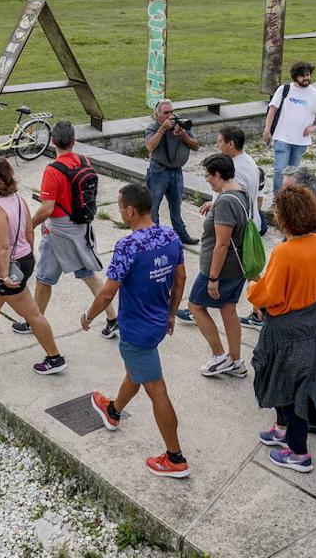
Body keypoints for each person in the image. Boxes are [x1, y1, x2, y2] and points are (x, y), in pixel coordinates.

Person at [85, 182, 190, 479]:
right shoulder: (170, 236)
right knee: (136, 370)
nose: (119, 212)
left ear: (130, 211)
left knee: (157, 390)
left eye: (120, 208)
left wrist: (89, 316)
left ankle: (175, 458)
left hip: (136, 330)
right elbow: (180, 279)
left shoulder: (127, 246)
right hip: (158, 323)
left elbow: (107, 294)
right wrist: (171, 313)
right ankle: (113, 411)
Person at [250, 184, 316, 473]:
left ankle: (299, 452)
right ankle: (283, 427)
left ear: (284, 217)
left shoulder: (284, 252)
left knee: (286, 382)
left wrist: (253, 290)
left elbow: (270, 294)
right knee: (297, 379)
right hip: (309, 319)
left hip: (284, 324)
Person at [0, 158, 67, 375]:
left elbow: (3, 246)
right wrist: (30, 258)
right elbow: (28, 232)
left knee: (33, 315)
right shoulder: (18, 200)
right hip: (22, 261)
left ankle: (55, 358)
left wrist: (4, 275)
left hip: (7, 269)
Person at [22, 121, 117, 338]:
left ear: (53, 141)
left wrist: (31, 225)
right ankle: (112, 318)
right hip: (81, 227)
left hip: (58, 233)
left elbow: (47, 208)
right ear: (74, 141)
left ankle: (34, 321)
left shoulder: (53, 170)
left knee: (44, 278)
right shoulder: (83, 161)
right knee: (87, 273)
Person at [241, 165, 316, 330]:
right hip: (309, 314)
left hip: (288, 316)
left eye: (287, 190)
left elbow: (274, 292)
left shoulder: (303, 238)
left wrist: (253, 286)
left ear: (302, 195)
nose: (280, 195)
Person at [183, 154, 249, 377]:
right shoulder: (239, 192)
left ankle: (220, 356)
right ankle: (237, 361)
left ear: (219, 175)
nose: (207, 179)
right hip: (237, 267)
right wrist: (216, 202)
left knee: (195, 306)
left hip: (221, 269)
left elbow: (221, 244)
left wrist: (212, 278)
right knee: (228, 309)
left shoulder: (226, 202)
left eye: (208, 175)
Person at [262, 60, 316, 195]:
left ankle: (289, 200)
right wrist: (267, 130)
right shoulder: (284, 90)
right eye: (303, 76)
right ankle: (277, 200)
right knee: (280, 170)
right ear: (295, 76)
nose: (306, 78)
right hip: (282, 137)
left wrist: (315, 126)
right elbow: (272, 109)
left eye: (308, 75)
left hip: (301, 141)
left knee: (292, 173)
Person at [144, 100, 201, 245]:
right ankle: (154, 239)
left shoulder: (180, 123)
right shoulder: (153, 127)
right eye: (166, 113)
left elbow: (196, 145)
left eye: (172, 112)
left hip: (176, 171)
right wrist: (162, 129)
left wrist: (183, 136)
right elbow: (150, 146)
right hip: (158, 171)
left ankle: (181, 234)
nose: (170, 116)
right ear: (157, 115)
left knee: (176, 206)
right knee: (153, 208)